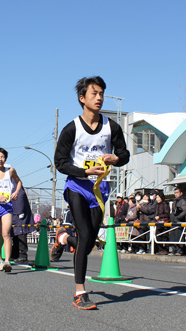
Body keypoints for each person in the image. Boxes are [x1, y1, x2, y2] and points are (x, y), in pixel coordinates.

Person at [53, 76, 129, 309]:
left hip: (99, 189)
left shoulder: (111, 126)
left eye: (102, 93)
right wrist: (84, 173)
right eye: (94, 93)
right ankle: (80, 292)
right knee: (85, 234)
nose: (99, 98)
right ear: (82, 98)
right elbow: (59, 162)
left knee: (89, 241)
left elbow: (124, 154)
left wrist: (115, 158)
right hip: (76, 186)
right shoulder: (71, 128)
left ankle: (64, 238)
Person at [11, 186, 34, 263]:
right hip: (14, 211)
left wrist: (20, 211)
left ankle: (22, 254)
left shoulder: (14, 182)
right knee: (15, 232)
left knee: (20, 232)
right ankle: (15, 253)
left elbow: (20, 196)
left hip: (19, 212)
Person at [169, 187, 186, 256]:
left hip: (179, 221)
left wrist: (178, 217)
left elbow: (184, 211)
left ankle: (180, 250)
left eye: (177, 193)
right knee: (173, 236)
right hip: (174, 221)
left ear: (181, 193)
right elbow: (173, 211)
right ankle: (174, 249)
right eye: (175, 193)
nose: (175, 194)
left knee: (179, 236)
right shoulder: (175, 201)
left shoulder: (183, 201)